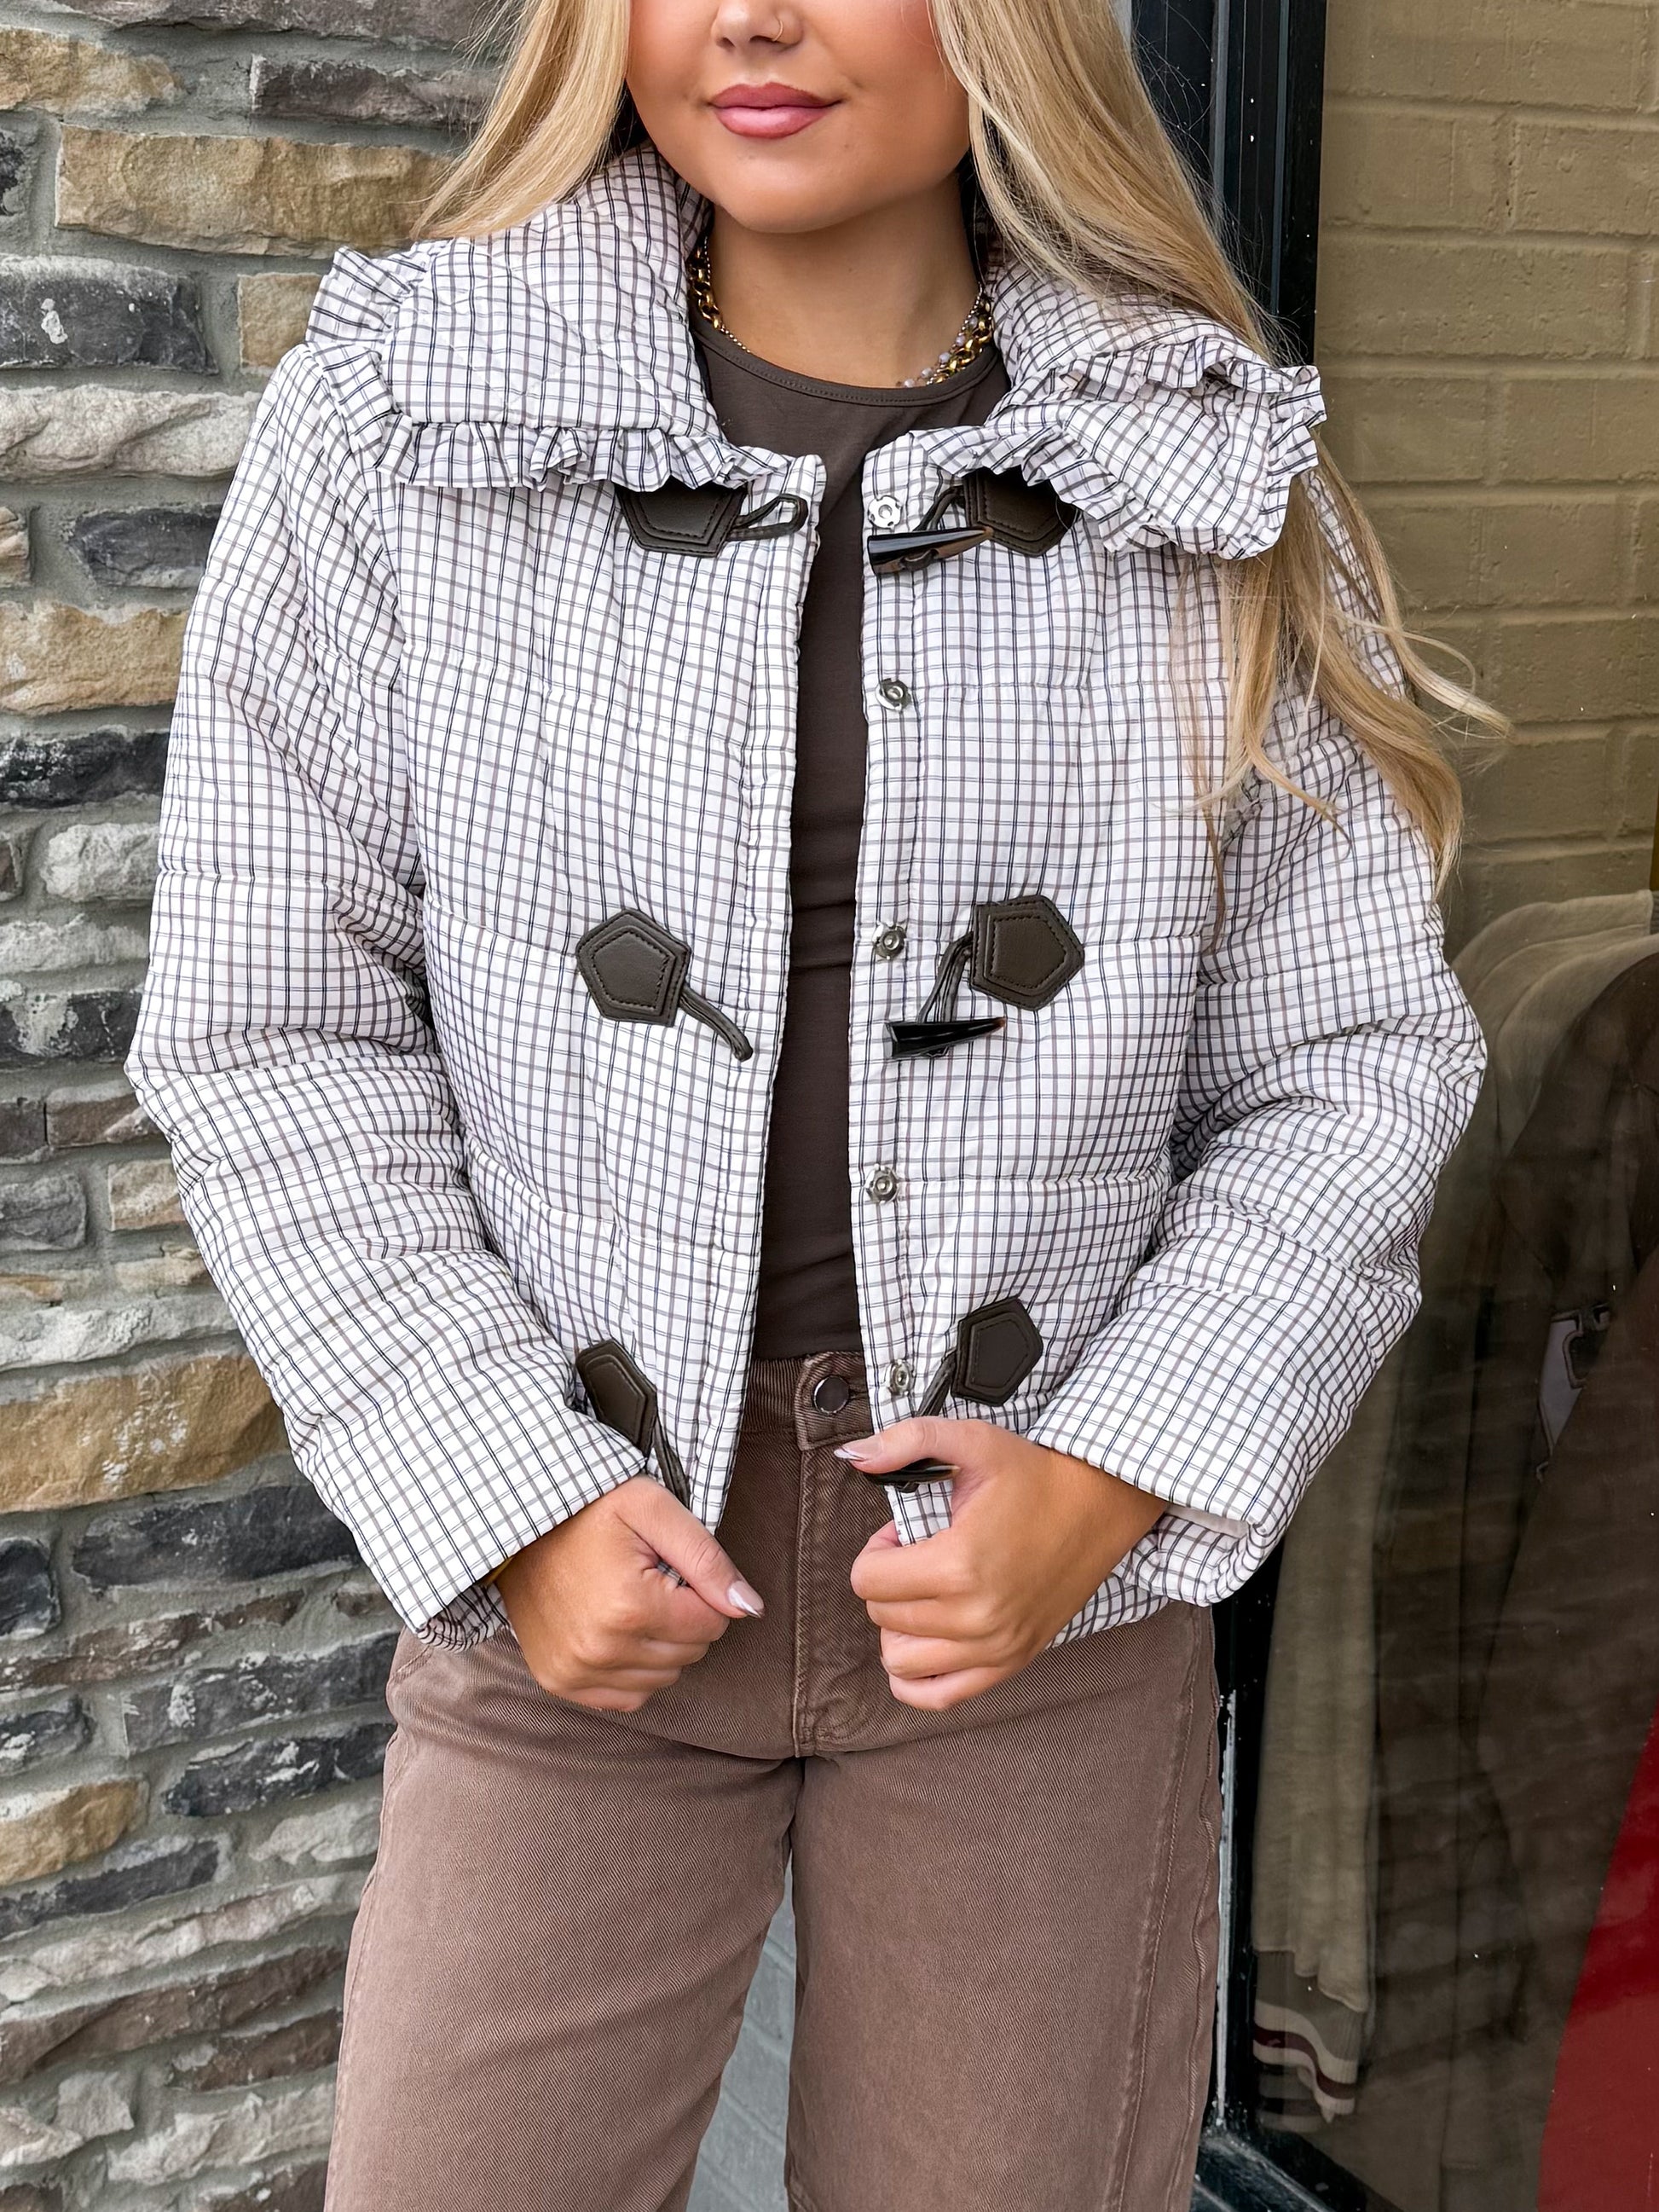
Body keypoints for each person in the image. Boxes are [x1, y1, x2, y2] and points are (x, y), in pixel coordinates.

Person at [125, 0, 1498, 2204]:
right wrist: (506, 1497)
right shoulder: (408, 419)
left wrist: (1113, 1476)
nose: (752, 17)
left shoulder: (1205, 464)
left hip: (1035, 1597)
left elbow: (1350, 1060)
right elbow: (272, 1023)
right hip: (575, 1566)